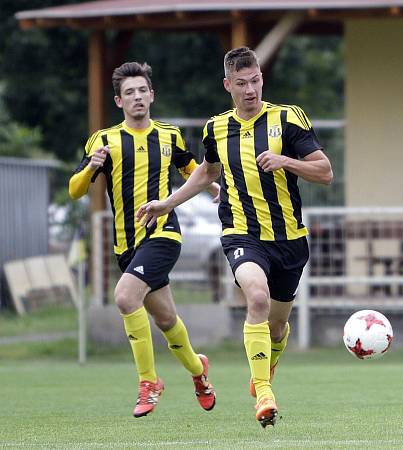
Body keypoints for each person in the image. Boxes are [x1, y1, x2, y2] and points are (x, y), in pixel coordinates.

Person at [137, 47, 333, 428]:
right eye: (241, 83)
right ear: (228, 85)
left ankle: (265, 370)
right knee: (255, 296)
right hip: (241, 232)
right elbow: (206, 172)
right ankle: (263, 393)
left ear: (262, 78)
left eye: (255, 80)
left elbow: (324, 171)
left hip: (289, 239)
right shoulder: (217, 128)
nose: (250, 90)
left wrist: (286, 161)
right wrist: (167, 203)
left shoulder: (287, 118)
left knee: (276, 327)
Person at [68, 62, 218, 418]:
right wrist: (91, 167)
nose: (137, 97)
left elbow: (190, 167)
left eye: (142, 90)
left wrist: (214, 187)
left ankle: (149, 382)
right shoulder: (103, 141)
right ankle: (199, 372)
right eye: (129, 92)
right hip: (126, 245)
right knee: (166, 319)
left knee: (124, 296)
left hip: (163, 233)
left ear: (152, 95)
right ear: (119, 101)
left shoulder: (169, 135)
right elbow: (75, 191)